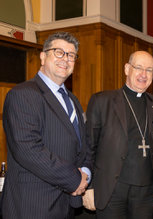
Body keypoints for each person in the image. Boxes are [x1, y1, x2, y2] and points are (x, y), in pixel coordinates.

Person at [1, 31, 92, 219]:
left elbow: (83, 145)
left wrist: (86, 172)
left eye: (71, 55)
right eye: (59, 52)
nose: (65, 59)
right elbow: (28, 150)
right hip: (33, 205)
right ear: (43, 57)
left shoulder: (73, 100)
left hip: (66, 204)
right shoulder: (23, 94)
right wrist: (74, 179)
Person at [83, 51, 153, 218]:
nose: (144, 74)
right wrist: (88, 186)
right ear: (127, 69)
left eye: (149, 70)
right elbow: (88, 146)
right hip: (112, 189)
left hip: (146, 191)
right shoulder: (102, 101)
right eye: (139, 68)